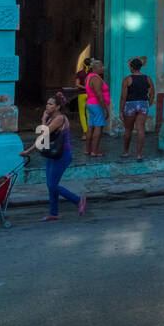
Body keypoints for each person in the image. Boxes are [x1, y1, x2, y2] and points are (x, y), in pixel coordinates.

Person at [21, 92, 85, 221]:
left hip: (62, 154)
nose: (47, 106)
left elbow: (43, 135)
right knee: (51, 184)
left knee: (53, 185)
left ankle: (78, 200)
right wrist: (44, 119)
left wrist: (29, 150)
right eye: (47, 103)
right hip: (52, 153)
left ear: (58, 107)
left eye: (50, 104)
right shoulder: (51, 119)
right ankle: (54, 213)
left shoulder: (60, 119)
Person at [120, 56, 155, 161]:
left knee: (128, 129)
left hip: (130, 105)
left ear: (131, 67)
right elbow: (152, 93)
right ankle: (139, 154)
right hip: (143, 104)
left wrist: (121, 110)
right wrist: (148, 103)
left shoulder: (127, 79)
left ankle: (126, 152)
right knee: (141, 129)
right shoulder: (147, 78)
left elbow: (123, 97)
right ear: (140, 67)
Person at [83, 59, 108, 157]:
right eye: (101, 66)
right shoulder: (96, 79)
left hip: (90, 104)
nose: (103, 68)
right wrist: (105, 108)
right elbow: (99, 94)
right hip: (97, 105)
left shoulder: (88, 77)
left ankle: (87, 150)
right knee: (98, 127)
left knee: (90, 127)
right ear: (95, 68)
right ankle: (95, 151)